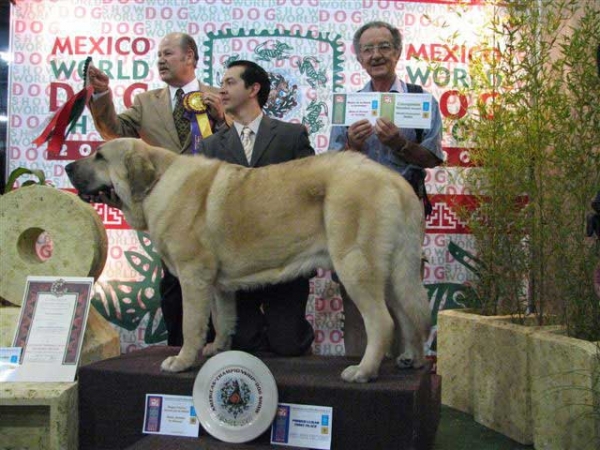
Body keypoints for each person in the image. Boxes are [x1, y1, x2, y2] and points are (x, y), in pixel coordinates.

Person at [86, 32, 226, 346]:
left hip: (215, 206)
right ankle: (181, 349)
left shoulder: (220, 97)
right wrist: (101, 95)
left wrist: (223, 118)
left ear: (189, 56)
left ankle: (222, 351)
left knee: (222, 282)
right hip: (170, 211)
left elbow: (240, 143)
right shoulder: (145, 103)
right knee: (175, 284)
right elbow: (113, 131)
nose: (160, 60)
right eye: (158, 55)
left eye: (168, 53)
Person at [328, 21, 444, 356]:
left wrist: (400, 145)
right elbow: (333, 161)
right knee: (355, 280)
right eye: (368, 49)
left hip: (402, 203)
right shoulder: (348, 104)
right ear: (359, 57)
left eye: (383, 47)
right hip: (355, 207)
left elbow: (433, 158)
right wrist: (352, 143)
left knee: (401, 279)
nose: (376, 55)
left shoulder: (420, 100)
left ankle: (409, 359)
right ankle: (359, 358)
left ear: (397, 52)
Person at [197, 60, 315, 356]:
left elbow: (312, 192)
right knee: (241, 344)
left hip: (285, 260)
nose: (221, 90)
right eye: (221, 83)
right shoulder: (210, 147)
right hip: (235, 265)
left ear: (254, 89)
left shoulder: (292, 135)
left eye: (230, 82)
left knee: (288, 344)